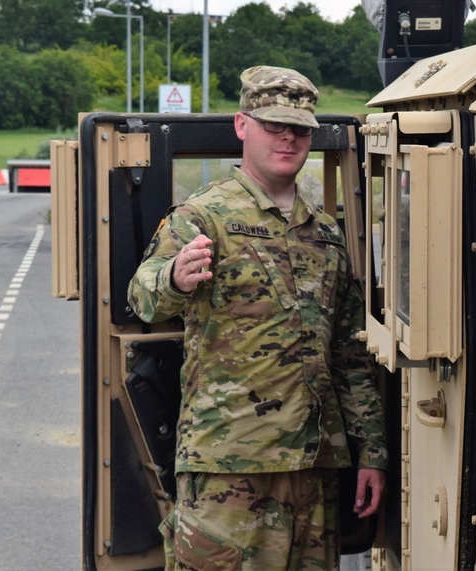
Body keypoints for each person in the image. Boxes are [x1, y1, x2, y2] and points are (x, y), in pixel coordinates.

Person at [128, 66, 387, 570]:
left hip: (314, 467)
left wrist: (371, 451)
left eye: (300, 129)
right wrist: (175, 279)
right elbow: (143, 298)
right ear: (242, 126)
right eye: (274, 126)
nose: (287, 138)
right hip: (229, 467)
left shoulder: (326, 235)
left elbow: (349, 357)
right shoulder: (203, 218)